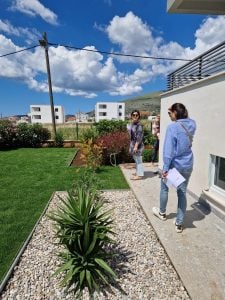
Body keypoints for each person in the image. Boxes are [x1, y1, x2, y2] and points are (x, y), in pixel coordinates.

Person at [152, 103, 196, 233]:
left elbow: (168, 151)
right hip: (188, 164)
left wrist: (165, 168)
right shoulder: (192, 124)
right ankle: (179, 223)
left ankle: (162, 213)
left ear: (175, 113)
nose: (169, 115)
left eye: (170, 113)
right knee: (182, 193)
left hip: (174, 166)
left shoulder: (172, 127)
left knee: (164, 188)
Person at [128, 110, 144, 180]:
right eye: (133, 115)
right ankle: (138, 172)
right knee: (136, 159)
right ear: (131, 116)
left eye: (136, 115)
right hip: (133, 144)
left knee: (138, 160)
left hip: (138, 145)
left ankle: (140, 175)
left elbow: (139, 137)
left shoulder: (139, 125)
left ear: (138, 116)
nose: (135, 116)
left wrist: (136, 146)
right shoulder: (132, 124)